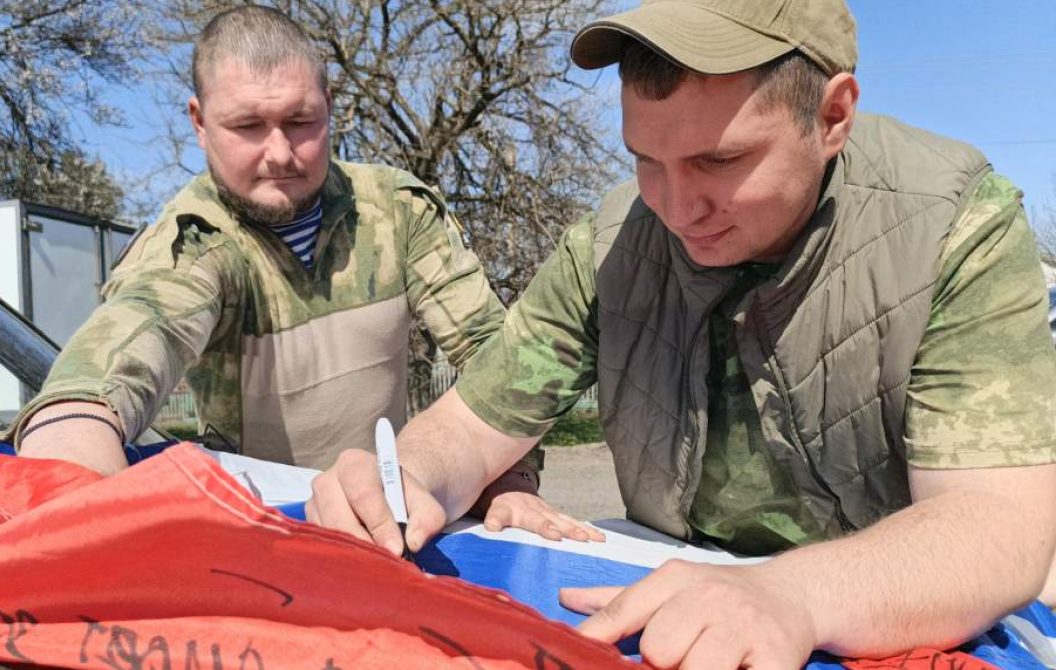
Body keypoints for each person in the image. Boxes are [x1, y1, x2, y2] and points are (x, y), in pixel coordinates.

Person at [306, 0, 1056, 665]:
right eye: (645, 160)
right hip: (661, 610)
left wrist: (789, 596)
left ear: (832, 117)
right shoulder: (609, 246)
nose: (674, 206)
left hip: (886, 628)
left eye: (719, 160)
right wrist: (405, 474)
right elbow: (471, 429)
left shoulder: (952, 227)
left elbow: (998, 528)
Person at [0, 5, 593, 539]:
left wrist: (509, 480)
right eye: (248, 127)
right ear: (200, 122)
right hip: (264, 534)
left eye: (300, 121)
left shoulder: (398, 212)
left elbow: (496, 356)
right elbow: (132, 337)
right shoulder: (194, 244)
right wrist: (70, 458)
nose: (279, 153)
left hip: (401, 515)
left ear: (330, 106)